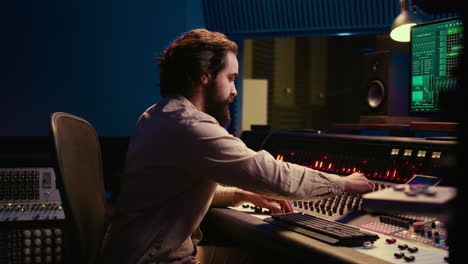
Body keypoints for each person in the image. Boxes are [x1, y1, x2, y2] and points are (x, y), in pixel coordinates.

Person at [102, 29, 374, 264]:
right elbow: (274, 176)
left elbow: (172, 188)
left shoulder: (157, 115)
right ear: (204, 76)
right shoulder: (190, 126)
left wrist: (239, 194)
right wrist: (344, 184)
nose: (234, 91)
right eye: (230, 78)